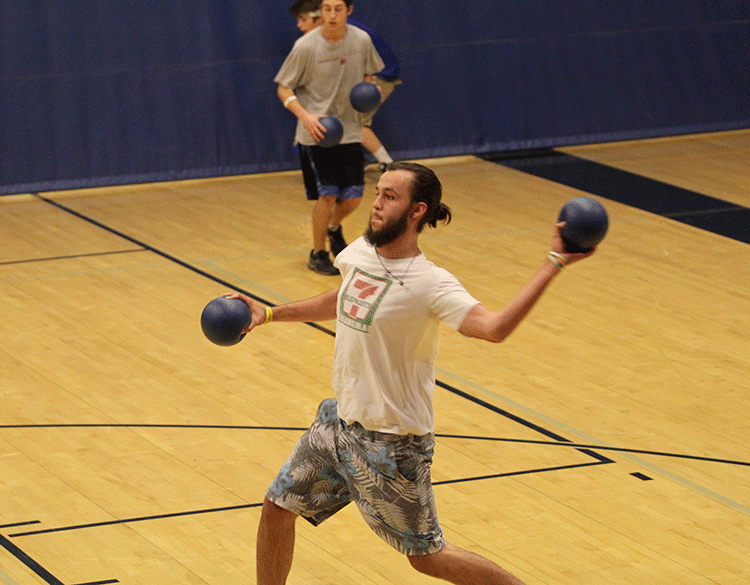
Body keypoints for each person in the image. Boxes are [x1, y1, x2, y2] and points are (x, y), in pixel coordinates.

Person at [229, 162, 597, 584]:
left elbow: (494, 329)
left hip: (391, 445)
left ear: (417, 210)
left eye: (390, 196)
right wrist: (272, 313)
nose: (377, 204)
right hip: (337, 424)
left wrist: (554, 263)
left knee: (426, 557)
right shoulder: (360, 252)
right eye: (378, 192)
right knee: (277, 508)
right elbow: (347, 296)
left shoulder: (430, 283)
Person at [276, 0, 384, 276]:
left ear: (348, 11)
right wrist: (306, 117)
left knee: (353, 197)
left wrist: (369, 87)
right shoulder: (306, 46)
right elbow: (283, 87)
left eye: (338, 9)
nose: (331, 15)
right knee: (328, 195)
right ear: (320, 11)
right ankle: (318, 251)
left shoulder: (361, 40)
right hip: (318, 133)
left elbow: (368, 73)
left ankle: (333, 228)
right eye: (326, 9)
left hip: (349, 128)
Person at [289, 0, 401, 170]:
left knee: (354, 122)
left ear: (317, 17)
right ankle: (358, 160)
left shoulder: (346, 33)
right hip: (366, 73)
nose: (299, 25)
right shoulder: (322, 37)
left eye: (303, 19)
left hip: (380, 74)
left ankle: (388, 164)